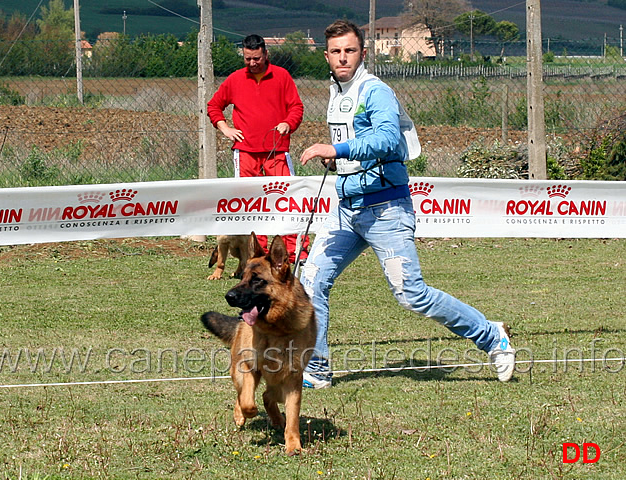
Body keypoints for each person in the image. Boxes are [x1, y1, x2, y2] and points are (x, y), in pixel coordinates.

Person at [298, 20, 516, 389]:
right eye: (336, 52)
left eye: (350, 51)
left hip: (385, 209)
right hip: (346, 208)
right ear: (326, 56)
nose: (343, 58)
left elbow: (388, 141)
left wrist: (338, 149)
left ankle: (492, 336)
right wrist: (341, 160)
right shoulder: (338, 91)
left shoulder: (374, 91)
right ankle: (316, 370)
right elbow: (359, 143)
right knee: (310, 282)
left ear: (363, 53)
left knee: (411, 294)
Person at [207, 34, 309, 263]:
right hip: (245, 153)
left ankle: (295, 253)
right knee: (251, 204)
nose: (252, 63)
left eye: (256, 58)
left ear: (266, 54)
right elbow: (214, 105)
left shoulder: (282, 76)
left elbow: (296, 107)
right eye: (247, 59)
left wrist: (288, 123)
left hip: (277, 151)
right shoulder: (234, 80)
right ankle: (256, 255)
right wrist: (225, 128)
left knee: (288, 201)